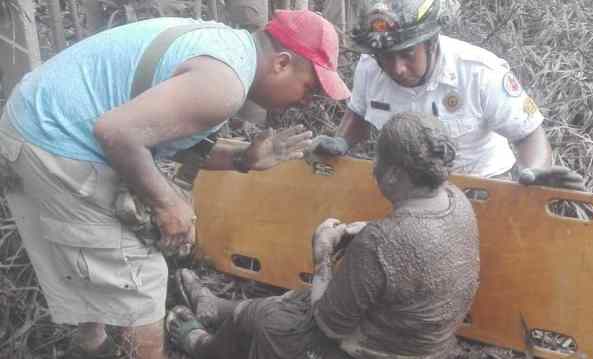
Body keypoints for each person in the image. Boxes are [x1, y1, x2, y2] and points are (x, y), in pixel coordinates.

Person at [0, 10, 349, 359]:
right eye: (310, 87)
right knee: (141, 280)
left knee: (103, 259)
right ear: (282, 64)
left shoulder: (227, 47)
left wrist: (243, 158)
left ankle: (91, 345)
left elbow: (160, 132)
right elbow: (118, 133)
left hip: (35, 119)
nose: (307, 101)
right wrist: (169, 203)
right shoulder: (224, 85)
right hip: (55, 139)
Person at [167, 111, 480, 359]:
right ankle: (217, 309)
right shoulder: (457, 201)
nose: (374, 169)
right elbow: (416, 248)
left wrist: (322, 256)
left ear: (396, 174)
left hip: (377, 350)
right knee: (289, 303)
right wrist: (366, 233)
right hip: (427, 345)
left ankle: (202, 346)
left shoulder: (380, 243)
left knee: (270, 321)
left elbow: (330, 325)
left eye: (378, 161)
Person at [313, 0, 584, 190]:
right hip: (409, 189)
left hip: (481, 185)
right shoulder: (369, 68)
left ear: (431, 43)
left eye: (408, 55)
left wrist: (533, 171)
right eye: (385, 57)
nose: (397, 69)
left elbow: (529, 134)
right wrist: (341, 141)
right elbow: (358, 113)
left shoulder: (480, 72)